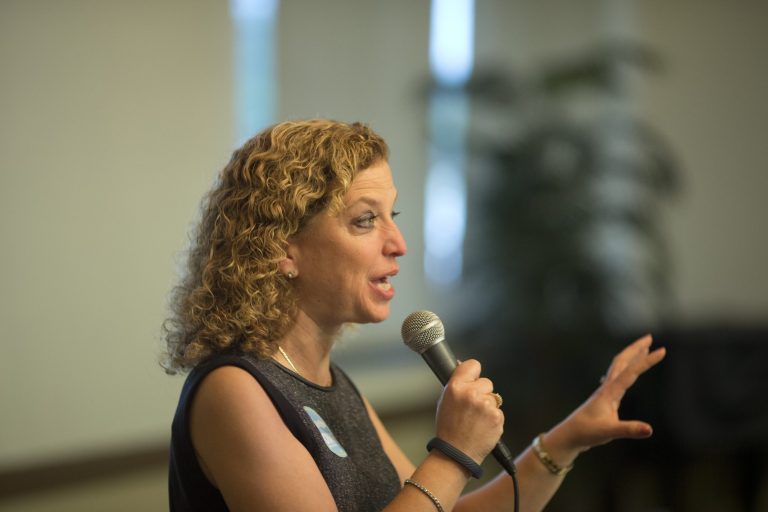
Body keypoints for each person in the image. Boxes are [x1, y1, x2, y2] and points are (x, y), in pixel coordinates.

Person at [164, 119, 666, 512]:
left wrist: (568, 437)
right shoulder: (234, 392)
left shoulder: (330, 383)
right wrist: (452, 451)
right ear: (282, 249)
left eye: (393, 217)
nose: (398, 244)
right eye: (365, 220)